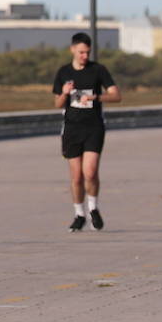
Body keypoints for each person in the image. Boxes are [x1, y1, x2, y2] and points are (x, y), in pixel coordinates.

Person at [51, 32, 121, 232]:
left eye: (87, 52)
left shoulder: (98, 70)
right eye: (81, 52)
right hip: (72, 128)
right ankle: (79, 214)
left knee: (90, 172)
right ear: (72, 49)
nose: (84, 56)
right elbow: (57, 104)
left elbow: (116, 95)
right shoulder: (63, 72)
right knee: (76, 177)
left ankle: (93, 208)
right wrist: (64, 93)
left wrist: (96, 98)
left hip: (94, 127)